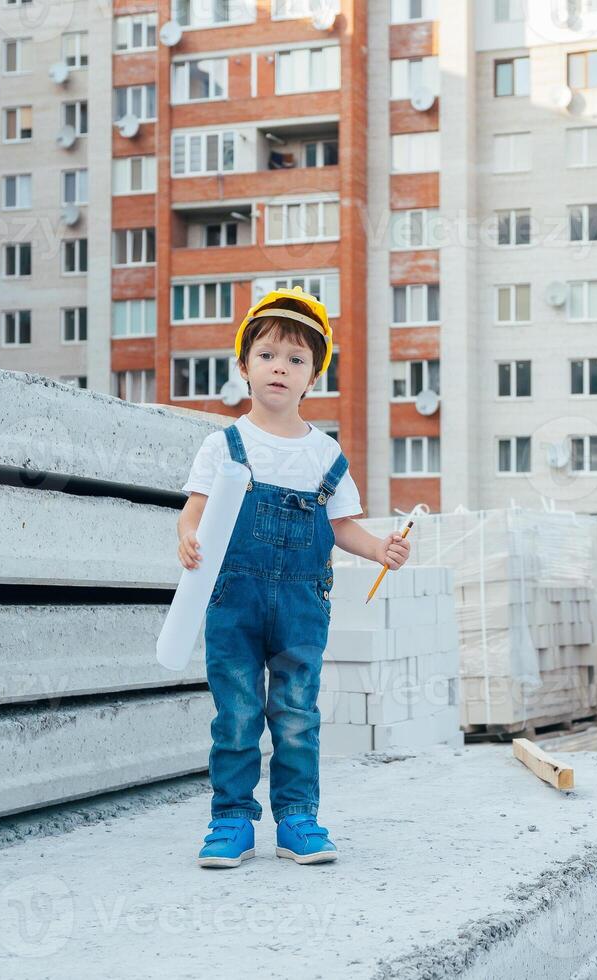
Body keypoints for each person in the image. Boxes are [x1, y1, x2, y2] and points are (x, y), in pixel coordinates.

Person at [177, 287, 410, 868]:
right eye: (268, 354)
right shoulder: (223, 444)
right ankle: (231, 819)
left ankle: (298, 819)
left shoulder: (325, 456)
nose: (280, 366)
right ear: (245, 366)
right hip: (232, 599)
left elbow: (343, 527)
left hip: (302, 603)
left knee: (297, 713)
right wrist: (187, 534)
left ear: (313, 378)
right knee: (235, 712)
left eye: (296, 359)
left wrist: (379, 547)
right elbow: (196, 509)